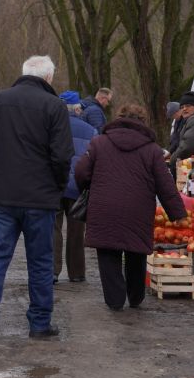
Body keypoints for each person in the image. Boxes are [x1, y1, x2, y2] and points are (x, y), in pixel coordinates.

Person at [0, 55, 73, 340]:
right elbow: (62, 155)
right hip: (40, 198)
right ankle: (39, 323)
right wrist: (57, 186)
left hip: (1, 196)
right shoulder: (55, 106)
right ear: (48, 78)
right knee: (40, 261)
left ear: (23, 73)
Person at [74, 102, 185, 311]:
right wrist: (177, 213)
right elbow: (165, 185)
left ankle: (115, 300)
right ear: (142, 122)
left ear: (118, 118)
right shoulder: (152, 150)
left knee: (107, 252)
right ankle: (135, 297)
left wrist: (89, 187)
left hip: (103, 206)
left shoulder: (99, 143)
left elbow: (80, 172)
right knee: (136, 251)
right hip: (138, 209)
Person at [54, 93, 97, 283]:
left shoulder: (50, 127)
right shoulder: (90, 130)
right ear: (77, 108)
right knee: (77, 230)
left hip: (54, 184)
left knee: (52, 229)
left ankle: (52, 271)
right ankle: (77, 272)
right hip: (79, 185)